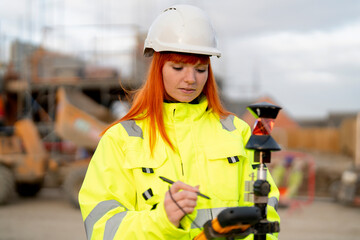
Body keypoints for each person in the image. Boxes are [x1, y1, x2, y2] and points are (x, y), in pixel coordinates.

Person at [79, 4, 280, 240]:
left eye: (201, 69)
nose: (190, 79)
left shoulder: (237, 132)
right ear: (157, 68)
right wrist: (161, 220)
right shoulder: (120, 139)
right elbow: (103, 229)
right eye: (178, 67)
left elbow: (264, 216)